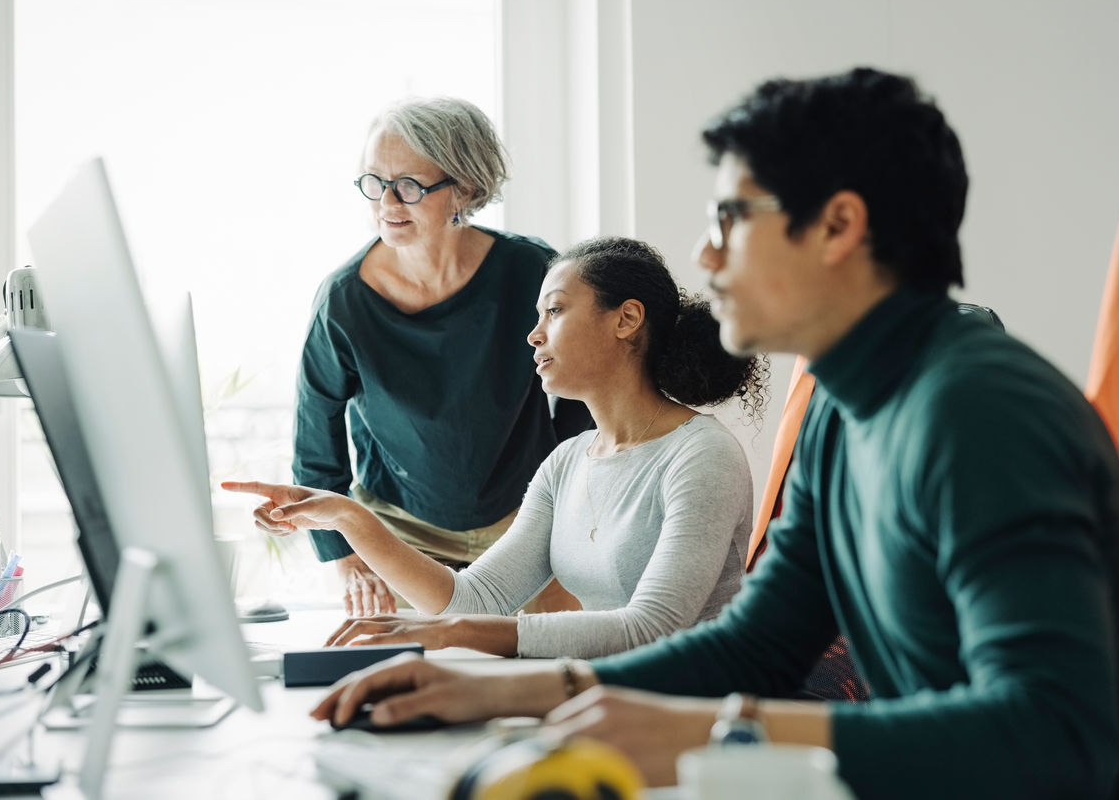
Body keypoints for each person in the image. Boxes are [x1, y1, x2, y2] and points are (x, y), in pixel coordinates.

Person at [307, 69, 1119, 800]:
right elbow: (760, 640)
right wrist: (504, 687)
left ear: (838, 226)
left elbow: (1058, 735)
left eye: (731, 218)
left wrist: (720, 729)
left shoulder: (982, 414)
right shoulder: (843, 405)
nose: (707, 255)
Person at [226, 237, 766, 658]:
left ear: (625, 320)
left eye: (554, 312)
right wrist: (348, 518)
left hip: (689, 712)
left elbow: (651, 629)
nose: (534, 335)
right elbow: (472, 599)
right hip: (599, 697)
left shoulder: (701, 455)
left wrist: (458, 634)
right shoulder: (566, 463)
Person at [284, 97, 589, 616]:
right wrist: (345, 557)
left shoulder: (531, 270)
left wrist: (563, 508)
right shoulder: (344, 300)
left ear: (464, 189)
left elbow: (583, 395)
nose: (386, 202)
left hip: (527, 527)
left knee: (546, 677)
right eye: (374, 182)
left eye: (408, 185)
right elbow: (317, 440)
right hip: (399, 536)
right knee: (415, 684)